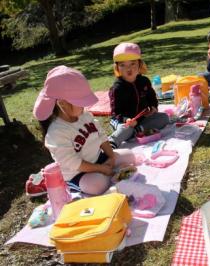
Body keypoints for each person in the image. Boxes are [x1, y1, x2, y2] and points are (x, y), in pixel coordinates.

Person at [33, 65, 136, 195]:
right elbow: (74, 163)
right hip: (78, 173)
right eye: (80, 102)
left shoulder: (85, 115)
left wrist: (111, 156)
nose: (85, 105)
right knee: (96, 185)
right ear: (62, 104)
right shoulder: (56, 133)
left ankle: (108, 174)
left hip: (99, 159)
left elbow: (101, 136)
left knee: (130, 155)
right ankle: (71, 184)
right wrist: (102, 169)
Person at [108, 42, 169, 148]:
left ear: (140, 64)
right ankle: (111, 143)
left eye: (132, 63)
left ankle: (136, 131)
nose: (128, 68)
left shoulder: (144, 81)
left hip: (141, 120)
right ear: (117, 68)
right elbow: (115, 112)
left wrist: (153, 107)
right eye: (123, 65)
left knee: (164, 118)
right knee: (125, 129)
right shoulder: (117, 88)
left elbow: (152, 98)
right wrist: (126, 120)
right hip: (123, 121)